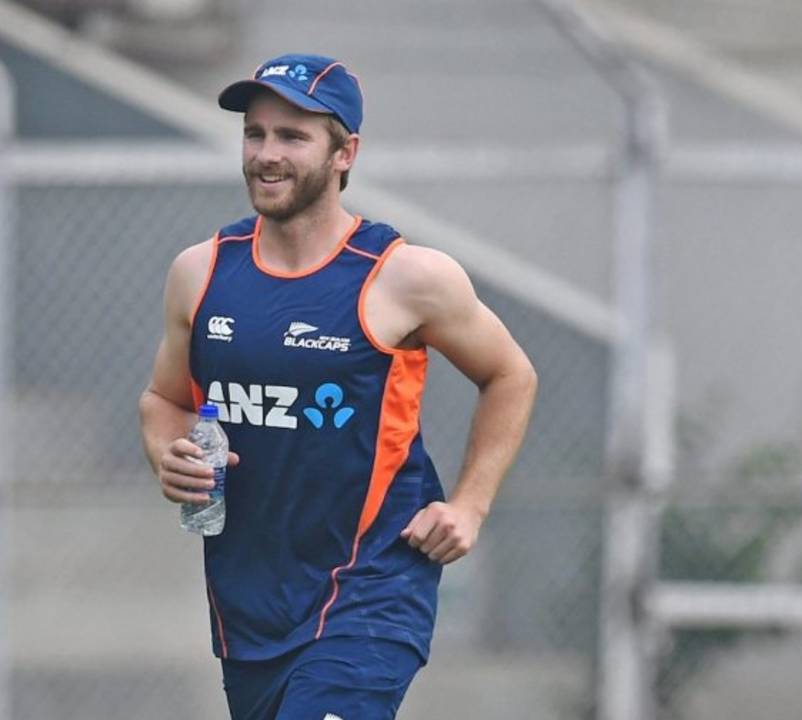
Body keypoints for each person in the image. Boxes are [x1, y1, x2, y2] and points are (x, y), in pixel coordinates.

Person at [137, 54, 538, 720]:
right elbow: (164, 400)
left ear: (344, 153)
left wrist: (469, 506)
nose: (266, 154)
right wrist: (169, 455)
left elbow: (510, 375)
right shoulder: (200, 272)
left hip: (371, 589)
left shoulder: (406, 277)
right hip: (248, 602)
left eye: (292, 137)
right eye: (255, 133)